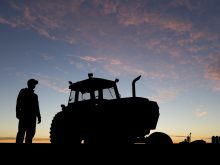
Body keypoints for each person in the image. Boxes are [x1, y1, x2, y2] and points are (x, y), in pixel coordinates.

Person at [16, 78, 41, 144]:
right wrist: (17, 112)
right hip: (24, 116)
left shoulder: (35, 96)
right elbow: (18, 102)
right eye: (34, 84)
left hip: (32, 118)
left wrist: (39, 116)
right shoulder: (23, 91)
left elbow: (37, 107)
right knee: (21, 133)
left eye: (35, 84)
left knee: (30, 135)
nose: (34, 86)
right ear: (29, 84)